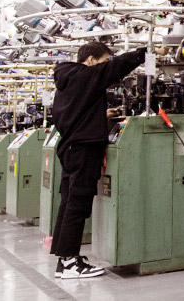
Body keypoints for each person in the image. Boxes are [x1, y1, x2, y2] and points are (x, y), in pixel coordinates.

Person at [50, 41, 146, 279]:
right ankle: (71, 261)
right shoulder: (85, 74)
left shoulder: (67, 81)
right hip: (83, 148)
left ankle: (65, 258)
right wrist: (144, 53)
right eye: (104, 61)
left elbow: (70, 113)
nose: (105, 67)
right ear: (91, 60)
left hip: (70, 145)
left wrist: (99, 115)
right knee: (78, 203)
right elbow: (116, 67)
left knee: (68, 201)